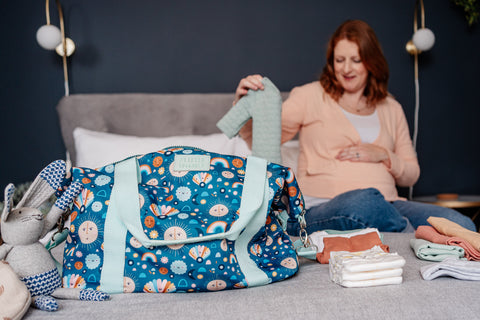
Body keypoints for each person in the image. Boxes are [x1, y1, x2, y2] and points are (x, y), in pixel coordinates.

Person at [234, 19, 476, 233]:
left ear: (371, 62)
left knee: (460, 223)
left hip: (390, 203)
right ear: (331, 62)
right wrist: (242, 104)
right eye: (339, 60)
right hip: (323, 204)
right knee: (364, 202)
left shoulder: (391, 107)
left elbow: (412, 174)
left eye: (355, 60)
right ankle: (415, 235)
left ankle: (405, 228)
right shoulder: (309, 96)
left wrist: (383, 154)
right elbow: (260, 139)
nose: (346, 69)